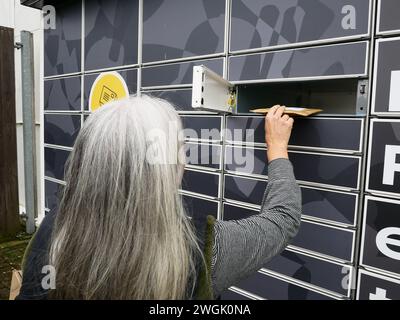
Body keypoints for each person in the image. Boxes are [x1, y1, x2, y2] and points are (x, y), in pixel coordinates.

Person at [17, 95, 301, 300]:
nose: (185, 161)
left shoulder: (55, 228)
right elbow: (282, 220)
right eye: (178, 148)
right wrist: (277, 148)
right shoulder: (203, 251)